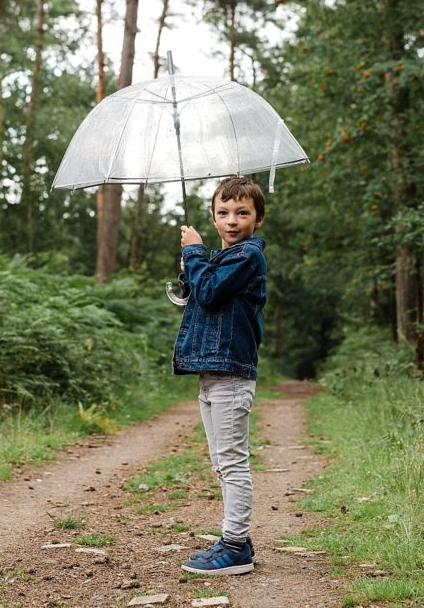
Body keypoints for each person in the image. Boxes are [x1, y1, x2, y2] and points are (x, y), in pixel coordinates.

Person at [174, 176, 267, 576]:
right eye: (223, 213)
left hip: (230, 373)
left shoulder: (247, 256)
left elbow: (210, 292)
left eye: (242, 213)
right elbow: (198, 296)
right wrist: (189, 265)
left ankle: (235, 547)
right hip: (211, 374)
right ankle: (235, 538)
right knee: (219, 461)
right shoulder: (220, 258)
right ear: (213, 217)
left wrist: (193, 251)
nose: (232, 220)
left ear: (257, 219)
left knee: (231, 462)